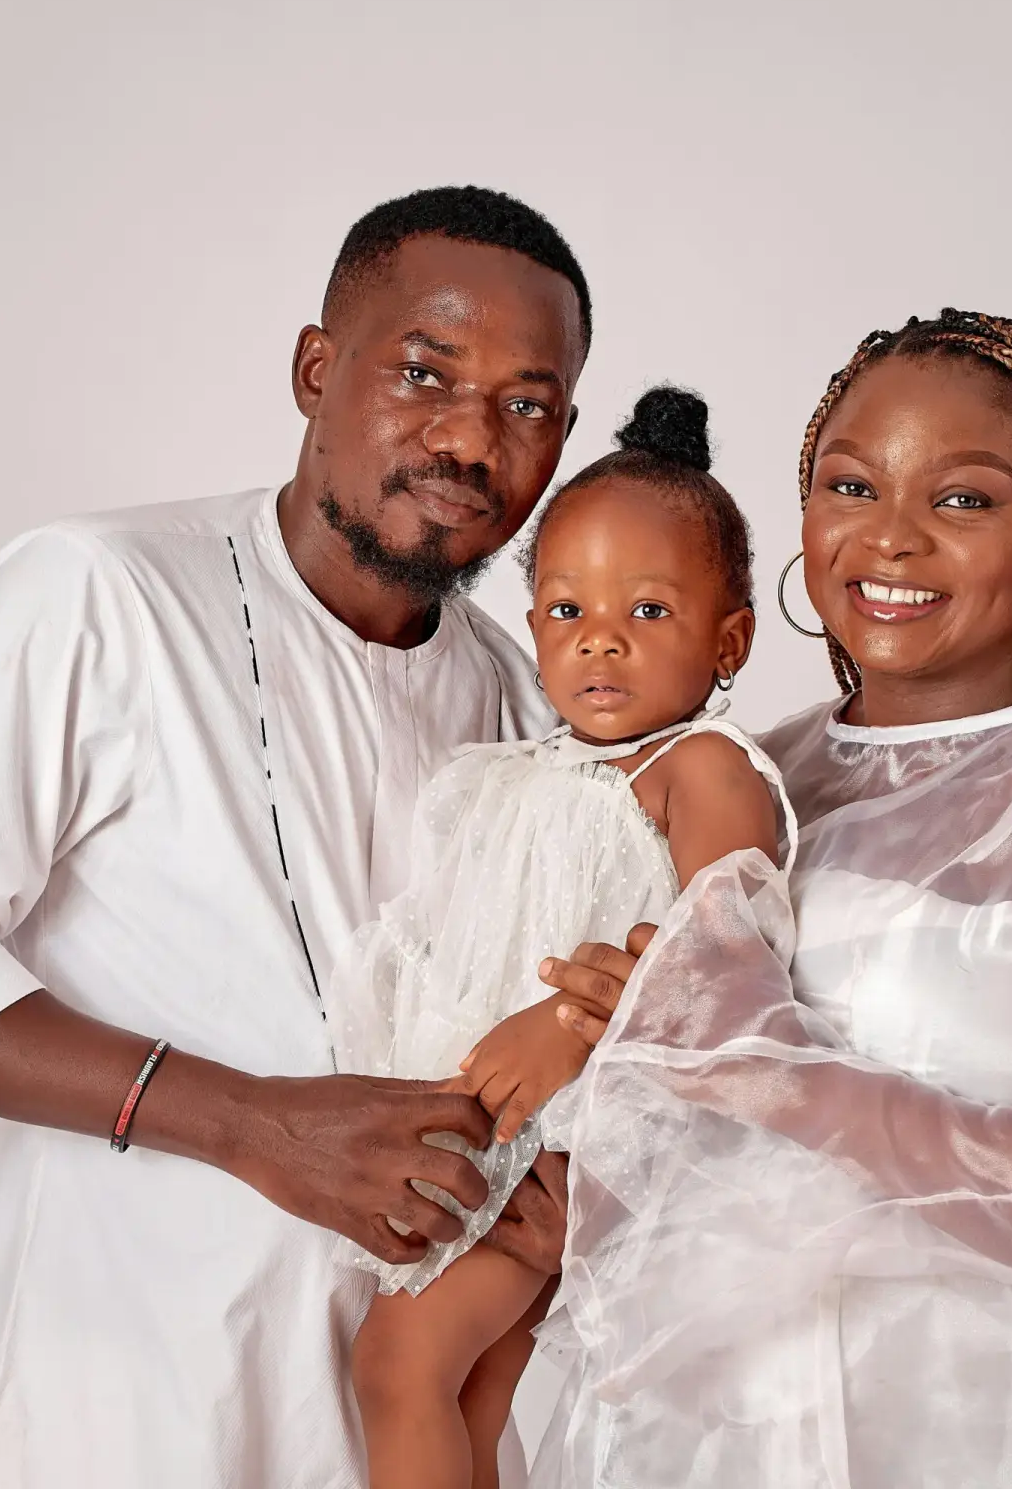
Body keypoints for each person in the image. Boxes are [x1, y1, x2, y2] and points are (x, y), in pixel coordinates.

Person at [0, 185, 592, 1489]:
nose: (469, 438)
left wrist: (567, 1198)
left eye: (527, 405)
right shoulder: (100, 593)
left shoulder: (530, 700)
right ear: (315, 369)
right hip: (111, 1402)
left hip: (400, 1427)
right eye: (424, 373)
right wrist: (251, 1124)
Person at [528, 311, 1012, 1487]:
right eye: (851, 485)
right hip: (707, 1438)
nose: (889, 538)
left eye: (963, 499)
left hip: (996, 1432)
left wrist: (772, 1068)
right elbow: (694, 1148)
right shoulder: (752, 775)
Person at [326, 387, 793, 1489]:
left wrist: (572, 1028)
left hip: (570, 1135)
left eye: (649, 611)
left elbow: (729, 949)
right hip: (484, 1117)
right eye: (568, 609)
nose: (601, 641)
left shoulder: (700, 768)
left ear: (729, 639)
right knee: (471, 1399)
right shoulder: (516, 768)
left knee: (397, 1370)